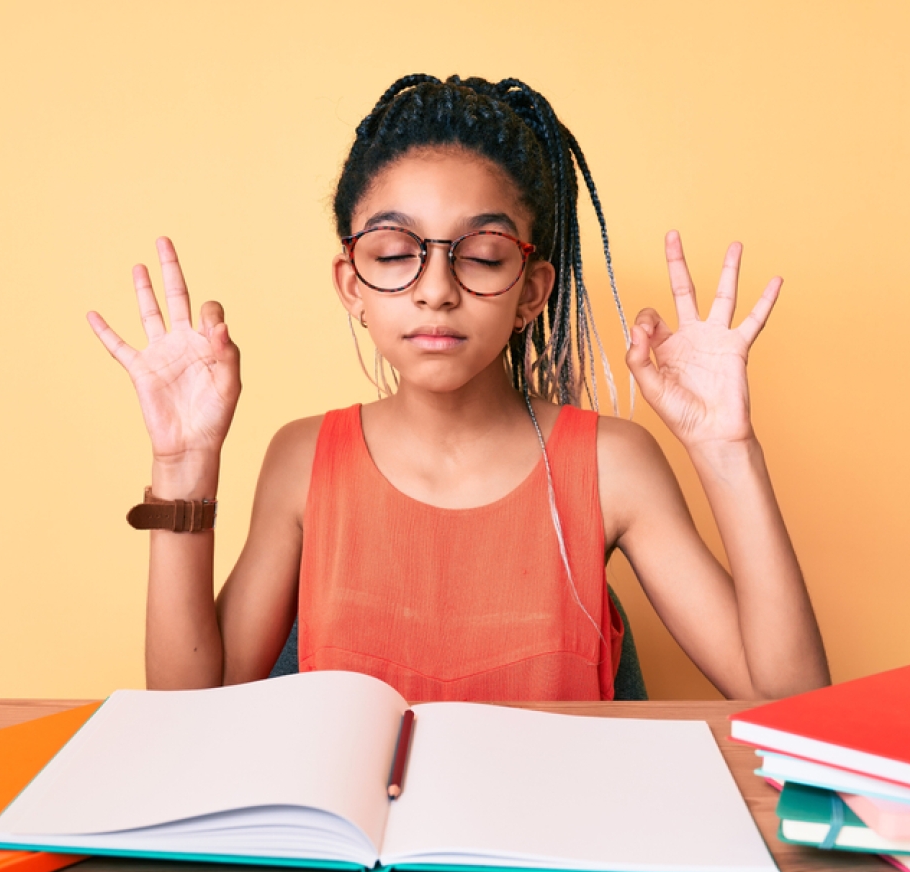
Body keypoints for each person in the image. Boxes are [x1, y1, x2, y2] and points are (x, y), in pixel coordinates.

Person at [87, 75, 830, 701]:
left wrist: (727, 449)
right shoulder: (302, 458)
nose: (436, 290)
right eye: (394, 251)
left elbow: (791, 699)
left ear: (532, 290)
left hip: (552, 868)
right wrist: (183, 466)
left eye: (480, 255)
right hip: (347, 869)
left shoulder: (614, 465)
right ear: (352, 284)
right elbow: (187, 715)